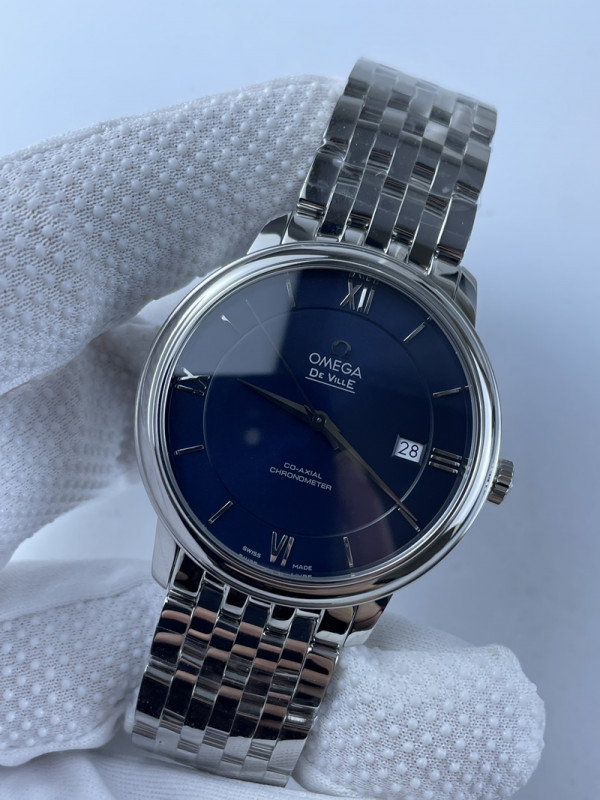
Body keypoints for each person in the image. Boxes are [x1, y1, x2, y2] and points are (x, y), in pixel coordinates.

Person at [0, 71, 544, 799]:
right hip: (239, 546)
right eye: (313, 413)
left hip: (293, 562)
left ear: (482, 479)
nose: (320, 418)